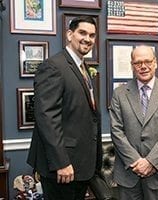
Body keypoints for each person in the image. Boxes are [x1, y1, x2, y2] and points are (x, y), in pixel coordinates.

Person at [27, 16, 102, 200]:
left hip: (80, 164)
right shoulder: (54, 66)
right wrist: (61, 162)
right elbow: (46, 117)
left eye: (92, 35)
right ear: (70, 34)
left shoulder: (82, 67)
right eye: (82, 33)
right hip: (62, 167)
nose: (88, 39)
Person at [109, 45, 158, 200]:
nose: (143, 66)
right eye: (138, 63)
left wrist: (151, 161)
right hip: (129, 174)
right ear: (132, 66)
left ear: (155, 63)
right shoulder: (120, 93)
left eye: (148, 61)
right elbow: (116, 131)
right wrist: (136, 161)